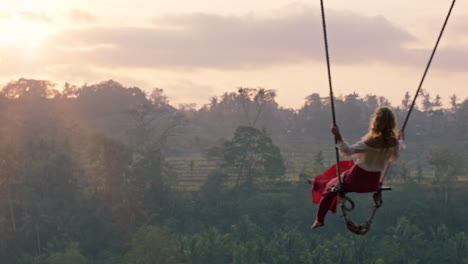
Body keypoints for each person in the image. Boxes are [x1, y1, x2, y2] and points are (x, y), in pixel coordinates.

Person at [310, 106, 405, 229]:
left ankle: (319, 219)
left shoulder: (370, 143)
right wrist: (401, 138)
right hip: (373, 183)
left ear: (375, 122)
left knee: (330, 191)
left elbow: (348, 151)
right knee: (343, 171)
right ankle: (317, 182)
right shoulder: (394, 143)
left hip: (356, 180)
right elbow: (399, 151)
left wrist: (337, 135)